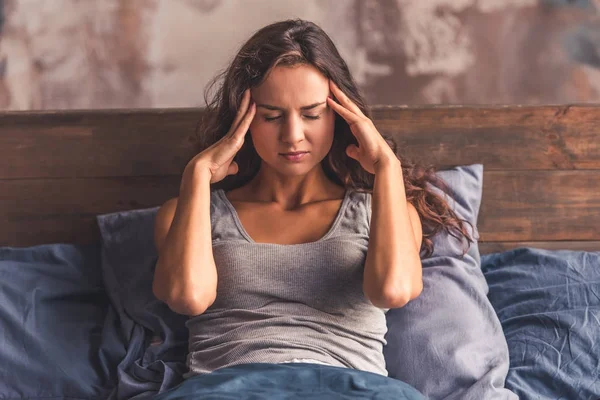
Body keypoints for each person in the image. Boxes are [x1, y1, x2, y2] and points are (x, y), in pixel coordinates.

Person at [152, 18, 475, 383]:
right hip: (230, 388)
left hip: (352, 388)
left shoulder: (384, 211)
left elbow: (392, 290)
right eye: (272, 116)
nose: (293, 135)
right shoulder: (186, 213)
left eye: (312, 114)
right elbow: (187, 298)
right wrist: (197, 175)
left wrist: (386, 168)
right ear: (242, 119)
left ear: (340, 116)